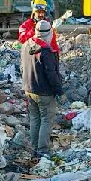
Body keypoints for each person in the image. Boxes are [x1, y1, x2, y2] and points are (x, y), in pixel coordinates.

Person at [21, 20, 63, 156]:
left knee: (34, 118)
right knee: (46, 119)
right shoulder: (46, 51)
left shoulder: (26, 45)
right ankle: (43, 150)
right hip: (44, 91)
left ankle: (34, 148)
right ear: (49, 33)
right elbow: (51, 74)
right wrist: (59, 91)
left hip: (29, 88)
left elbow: (22, 67)